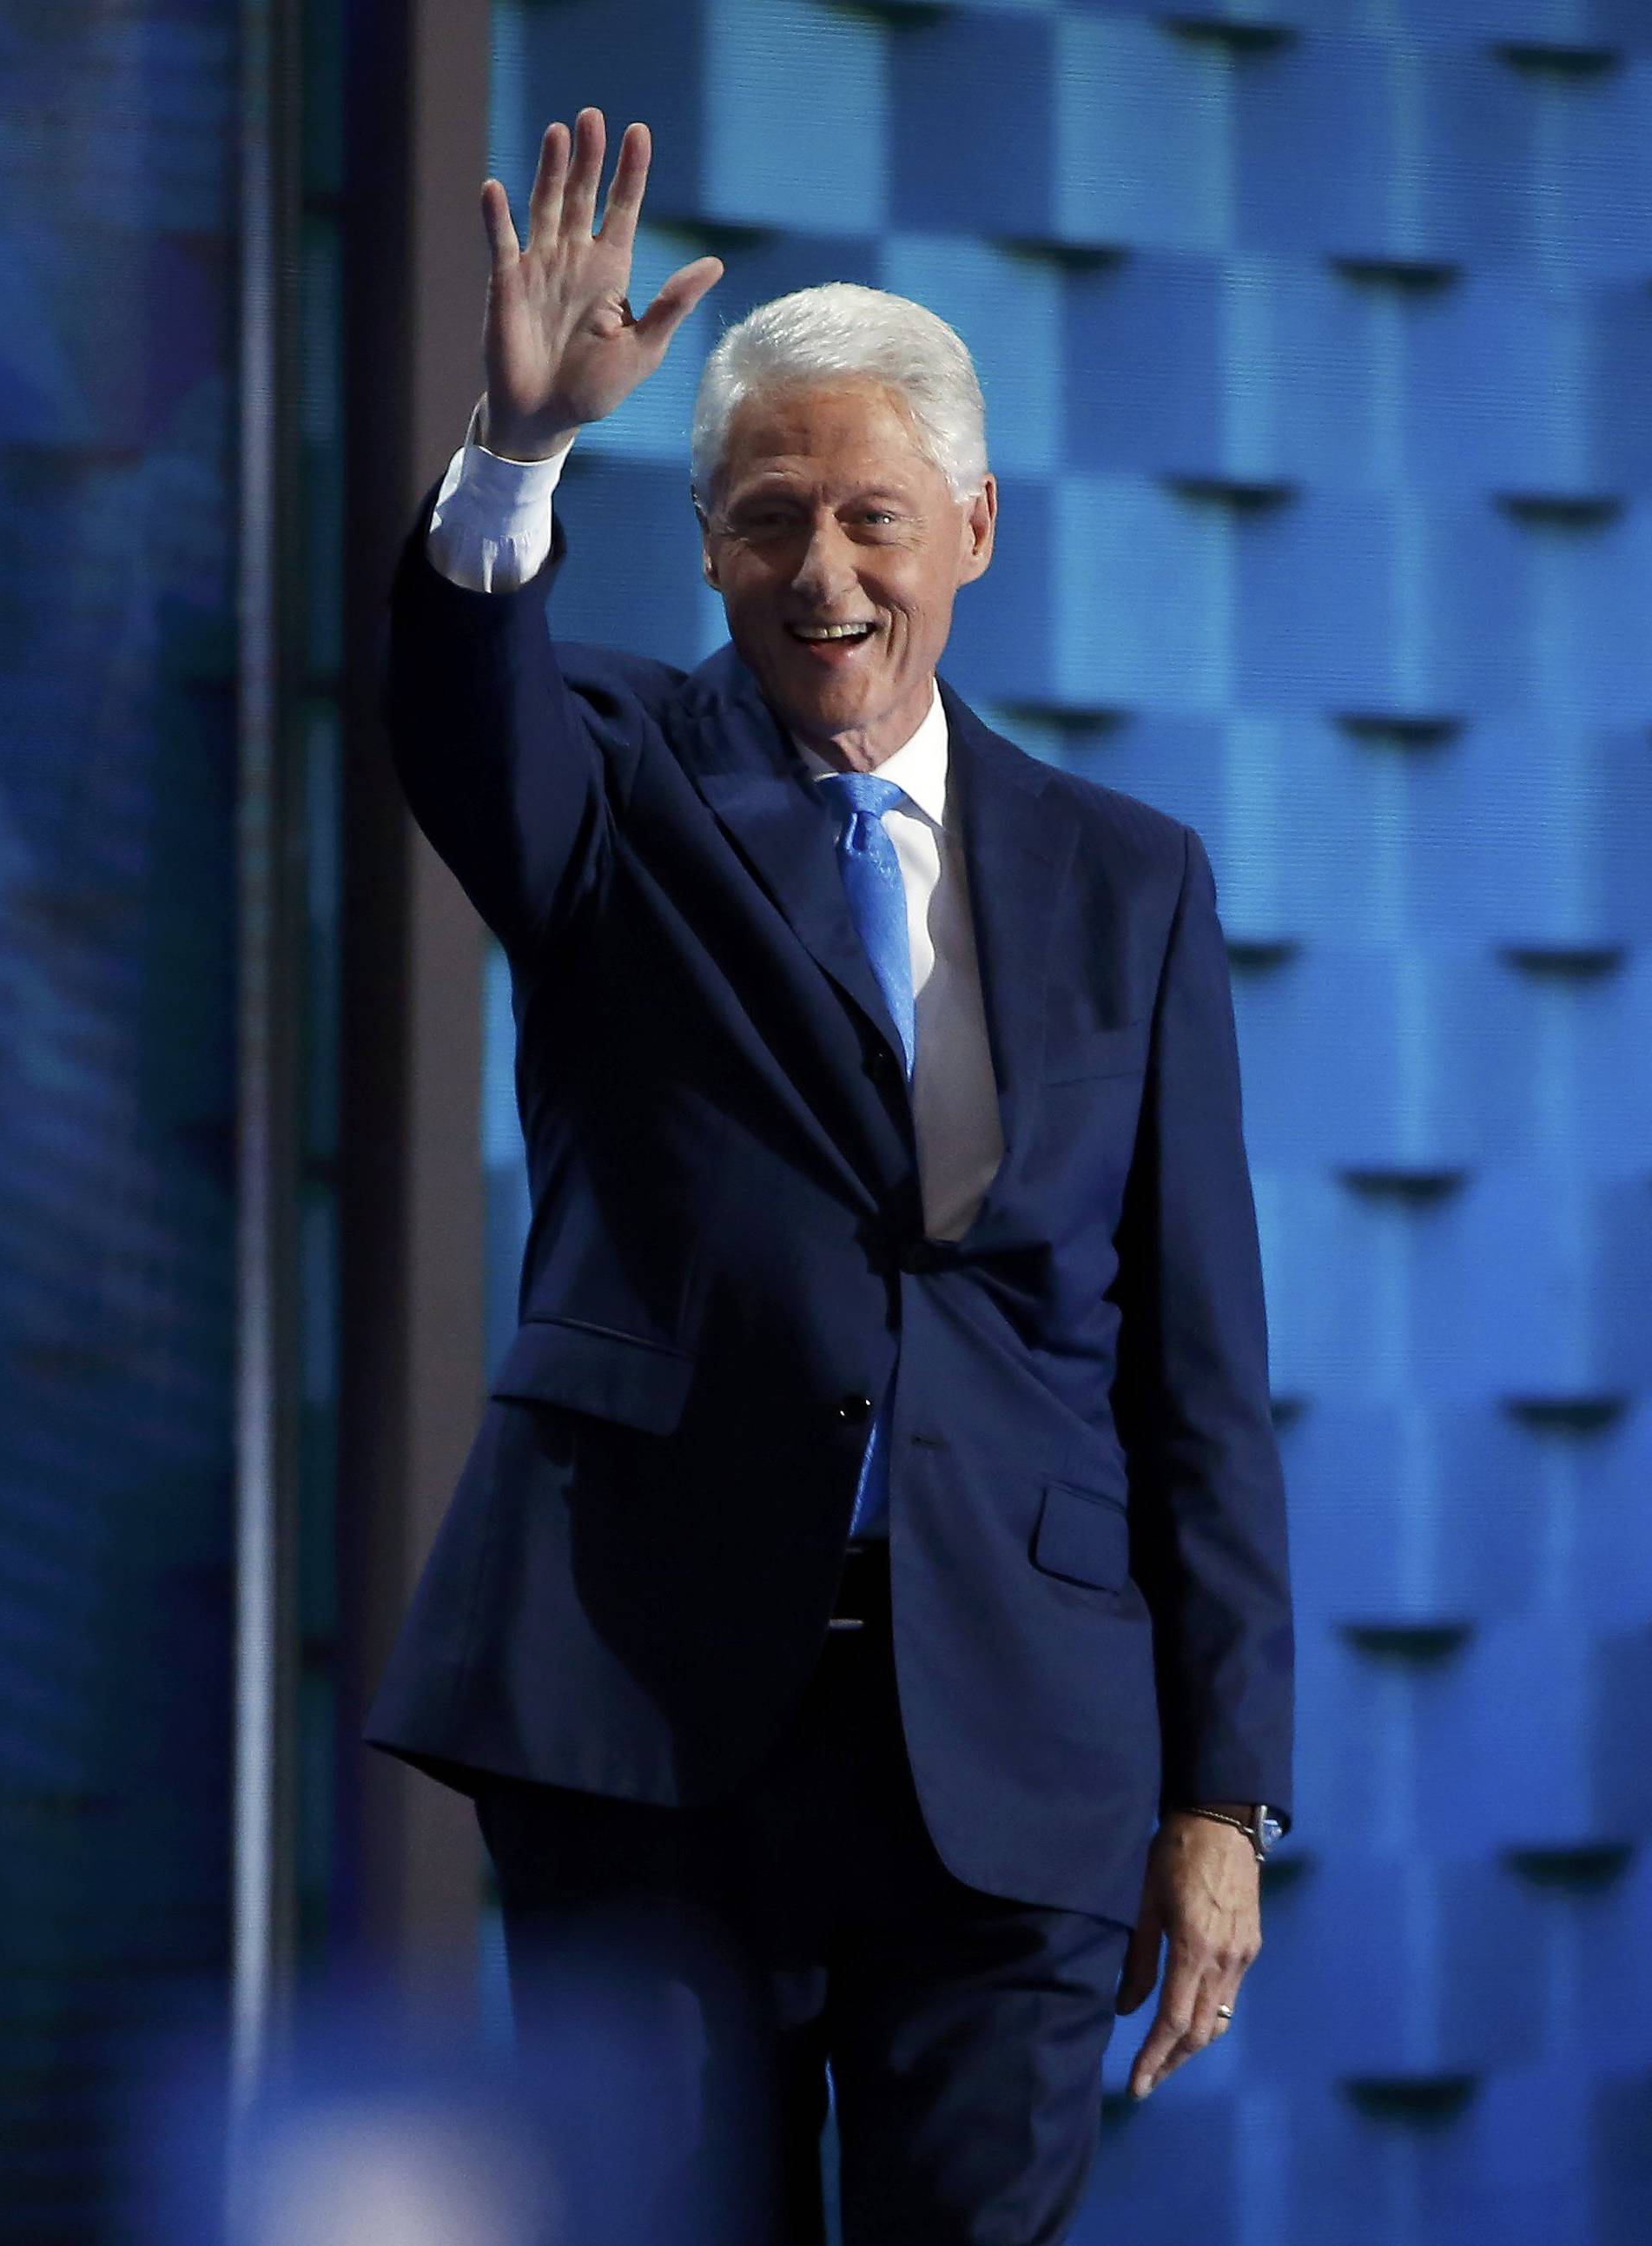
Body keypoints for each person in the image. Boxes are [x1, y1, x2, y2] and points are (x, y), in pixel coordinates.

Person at [366, 106, 1294, 2246]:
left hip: (1020, 1741)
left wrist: (1221, 1791)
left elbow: (1203, 1376)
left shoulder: (1130, 881)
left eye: (875, 516)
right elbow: (454, 702)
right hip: (648, 1716)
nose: (826, 573)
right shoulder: (601, 778)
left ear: (972, 525)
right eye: (769, 520)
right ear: (701, 547)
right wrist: (514, 451)